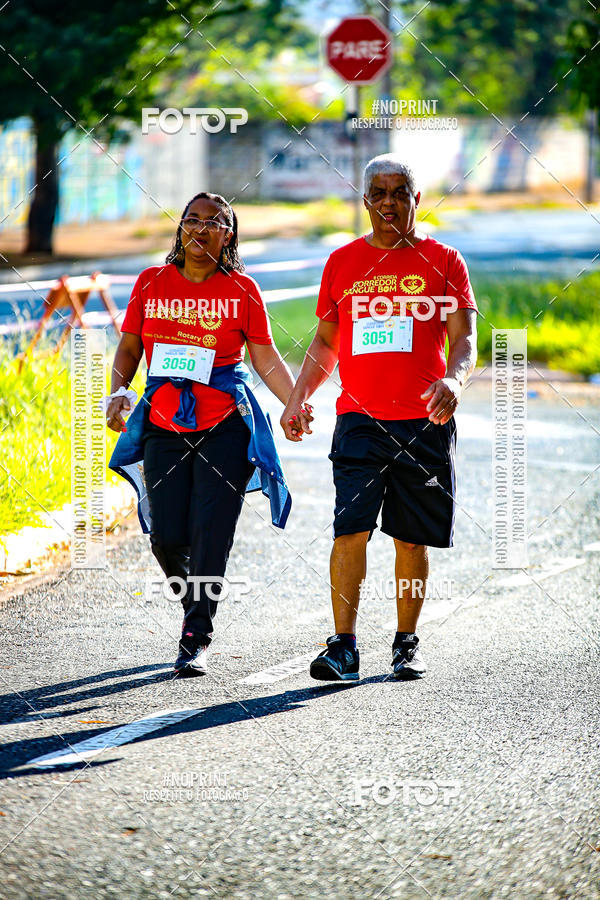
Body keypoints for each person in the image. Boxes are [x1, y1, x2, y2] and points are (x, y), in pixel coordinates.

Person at [281, 154, 478, 682]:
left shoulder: (444, 261)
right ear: (365, 200)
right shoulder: (342, 262)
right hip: (359, 420)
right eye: (378, 192)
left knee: (411, 539)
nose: (389, 201)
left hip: (424, 419)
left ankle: (405, 642)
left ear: (417, 199)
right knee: (350, 529)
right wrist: (299, 397)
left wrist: (453, 382)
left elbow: (464, 339)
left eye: (400, 192)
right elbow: (325, 342)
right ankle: (343, 645)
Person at [105, 191, 300, 677]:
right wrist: (118, 393)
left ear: (227, 234)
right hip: (163, 420)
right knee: (168, 537)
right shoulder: (151, 283)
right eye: (191, 219)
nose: (200, 228)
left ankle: (196, 633)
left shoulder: (242, 289)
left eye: (213, 222)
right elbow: (129, 349)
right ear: (180, 228)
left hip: (225, 425)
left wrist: (295, 402)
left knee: (210, 531)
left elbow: (266, 358)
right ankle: (196, 600)